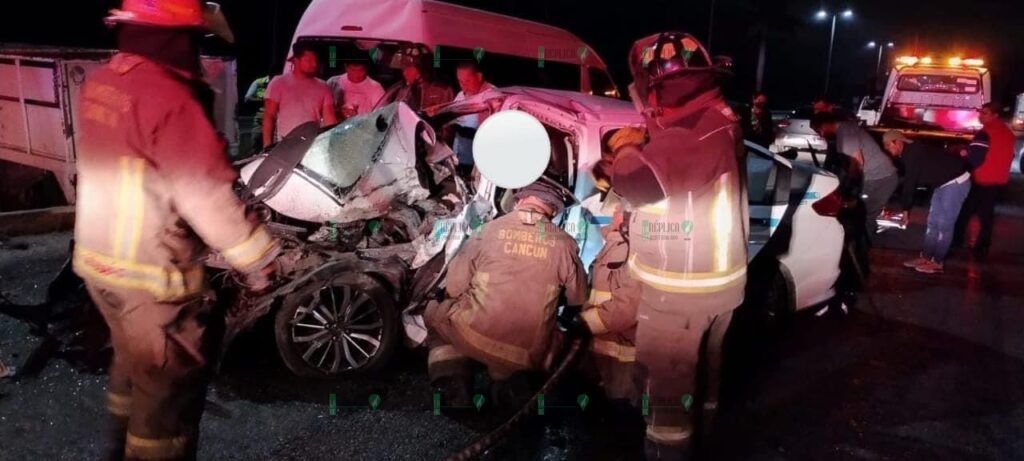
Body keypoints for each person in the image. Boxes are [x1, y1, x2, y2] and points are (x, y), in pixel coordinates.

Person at [78, 1, 280, 459]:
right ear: (176, 38)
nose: (197, 51)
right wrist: (259, 260)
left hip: (98, 266)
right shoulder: (169, 96)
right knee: (166, 401)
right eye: (194, 39)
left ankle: (115, 451)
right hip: (153, 281)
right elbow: (205, 192)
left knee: (131, 369)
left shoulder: (103, 82)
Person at [611, 32, 748, 459]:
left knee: (667, 398)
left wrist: (626, 148)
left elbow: (634, 180)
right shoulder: (717, 117)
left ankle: (668, 449)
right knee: (701, 383)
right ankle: (701, 438)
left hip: (681, 294)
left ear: (654, 89)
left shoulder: (690, 135)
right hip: (716, 288)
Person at [425, 180, 587, 407]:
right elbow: (577, 299)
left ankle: (453, 385)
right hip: (525, 354)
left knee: (435, 313)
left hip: (472, 334)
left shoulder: (488, 230)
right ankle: (507, 386)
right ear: (553, 209)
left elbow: (455, 284)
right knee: (541, 341)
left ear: (519, 199)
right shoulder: (565, 244)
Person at [883, 131, 970, 274]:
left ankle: (937, 262)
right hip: (942, 183)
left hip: (956, 182)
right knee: (932, 222)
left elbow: (910, 182)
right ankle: (926, 257)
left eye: (888, 145)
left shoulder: (911, 153)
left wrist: (906, 210)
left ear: (898, 142)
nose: (887, 148)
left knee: (944, 224)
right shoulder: (908, 153)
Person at [580, 207, 641, 403]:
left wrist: (583, 323)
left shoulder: (635, 251)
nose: (609, 212)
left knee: (620, 412)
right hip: (601, 351)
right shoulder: (614, 244)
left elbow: (626, 310)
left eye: (615, 209)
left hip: (623, 359)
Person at [812, 112, 899, 240]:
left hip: (879, 179)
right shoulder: (845, 128)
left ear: (825, 125)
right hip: (878, 177)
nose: (820, 134)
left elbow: (857, 162)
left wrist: (850, 187)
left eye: (818, 130)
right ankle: (861, 243)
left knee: (865, 214)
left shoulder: (845, 135)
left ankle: (863, 247)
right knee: (862, 213)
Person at [954, 102, 1016, 259]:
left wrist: (963, 154)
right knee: (986, 215)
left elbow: (975, 157)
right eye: (980, 112)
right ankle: (982, 248)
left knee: (964, 212)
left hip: (980, 179)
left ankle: (955, 242)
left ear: (995, 115)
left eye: (985, 113)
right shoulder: (1007, 133)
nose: (980, 115)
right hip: (997, 181)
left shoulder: (985, 133)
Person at [263, 42, 336, 146]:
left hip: (312, 144)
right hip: (285, 144)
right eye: (309, 60)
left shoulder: (323, 87)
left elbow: (330, 120)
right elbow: (269, 115)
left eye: (315, 60)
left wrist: (331, 144)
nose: (314, 64)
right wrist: (267, 145)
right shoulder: (278, 83)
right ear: (296, 60)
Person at [450, 62, 497, 173]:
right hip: (458, 158)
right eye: (460, 81)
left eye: (467, 81)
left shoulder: (493, 97)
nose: (463, 86)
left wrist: (470, 133)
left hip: (478, 165)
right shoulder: (461, 96)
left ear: (479, 77)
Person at [380, 52, 454, 113]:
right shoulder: (404, 89)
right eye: (403, 69)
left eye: (407, 69)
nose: (404, 73)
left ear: (419, 69)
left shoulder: (442, 91)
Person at [243, 75, 269, 154]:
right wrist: (263, 100)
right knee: (256, 139)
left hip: (278, 118)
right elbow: (247, 98)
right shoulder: (259, 83)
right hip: (261, 117)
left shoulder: (281, 83)